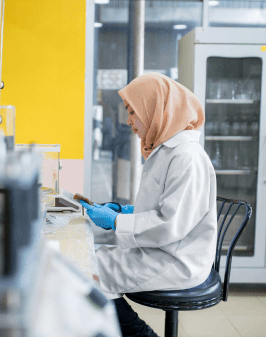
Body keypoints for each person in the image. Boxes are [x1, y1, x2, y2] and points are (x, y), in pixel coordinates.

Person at [79, 72, 218, 337]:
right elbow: (164, 208)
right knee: (87, 258)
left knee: (86, 270)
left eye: (133, 112)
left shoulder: (187, 157)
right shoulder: (165, 151)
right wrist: (124, 211)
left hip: (177, 258)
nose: (129, 121)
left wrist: (116, 221)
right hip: (162, 249)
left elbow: (170, 224)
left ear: (156, 109)